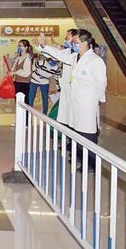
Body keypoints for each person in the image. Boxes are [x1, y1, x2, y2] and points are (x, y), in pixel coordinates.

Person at [38, 30, 106, 170]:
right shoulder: (74, 57)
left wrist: (95, 101)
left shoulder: (95, 60)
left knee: (88, 134)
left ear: (85, 42)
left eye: (75, 42)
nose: (73, 45)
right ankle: (82, 159)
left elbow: (101, 83)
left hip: (87, 103)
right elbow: (59, 55)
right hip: (76, 102)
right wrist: (45, 46)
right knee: (78, 133)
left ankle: (91, 164)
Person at [37, 29, 78, 127]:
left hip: (74, 89)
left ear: (74, 38)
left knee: (73, 115)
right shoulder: (68, 51)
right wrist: (41, 46)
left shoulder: (75, 55)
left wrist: (44, 46)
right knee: (66, 114)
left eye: (67, 37)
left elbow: (57, 54)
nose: (65, 39)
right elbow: (54, 55)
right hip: (66, 87)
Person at [11, 39, 32, 105]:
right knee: (18, 101)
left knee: (24, 101)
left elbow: (27, 73)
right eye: (18, 46)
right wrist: (11, 72)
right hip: (17, 82)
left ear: (26, 47)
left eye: (21, 46)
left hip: (24, 83)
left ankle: (26, 112)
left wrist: (15, 72)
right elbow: (14, 68)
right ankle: (19, 112)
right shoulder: (18, 57)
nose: (19, 47)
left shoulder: (27, 58)